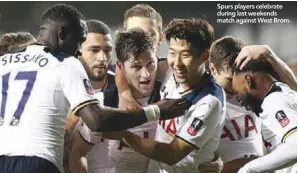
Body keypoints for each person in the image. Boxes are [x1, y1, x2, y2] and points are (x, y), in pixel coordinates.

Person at [0, 4, 190, 173]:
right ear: (62, 34)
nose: (77, 51)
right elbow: (96, 121)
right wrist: (156, 111)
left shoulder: (4, 62)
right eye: (79, 41)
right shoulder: (65, 63)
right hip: (38, 161)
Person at [107, 18, 226, 173]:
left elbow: (172, 154)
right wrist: (125, 95)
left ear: (204, 56)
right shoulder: (169, 71)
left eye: (185, 55)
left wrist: (122, 135)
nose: (177, 63)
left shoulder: (209, 101)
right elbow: (125, 66)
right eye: (172, 52)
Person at [70, 28, 161, 173]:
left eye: (150, 64)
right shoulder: (103, 103)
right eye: (136, 66)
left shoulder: (168, 94)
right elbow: (77, 153)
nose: (146, 74)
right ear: (120, 67)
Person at [199, 37, 297, 173]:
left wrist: (269, 54)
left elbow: (291, 92)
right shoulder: (202, 103)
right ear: (213, 69)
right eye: (229, 80)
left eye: (238, 77)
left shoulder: (255, 97)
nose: (235, 88)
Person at [64, 19, 115, 172]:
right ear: (77, 51)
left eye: (107, 50)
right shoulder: (60, 89)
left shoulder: (123, 88)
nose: (102, 58)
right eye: (94, 50)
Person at [232, 60, 297, 173]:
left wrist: (249, 168)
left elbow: (296, 146)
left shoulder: (274, 101)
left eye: (238, 92)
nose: (240, 101)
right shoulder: (286, 93)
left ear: (248, 81)